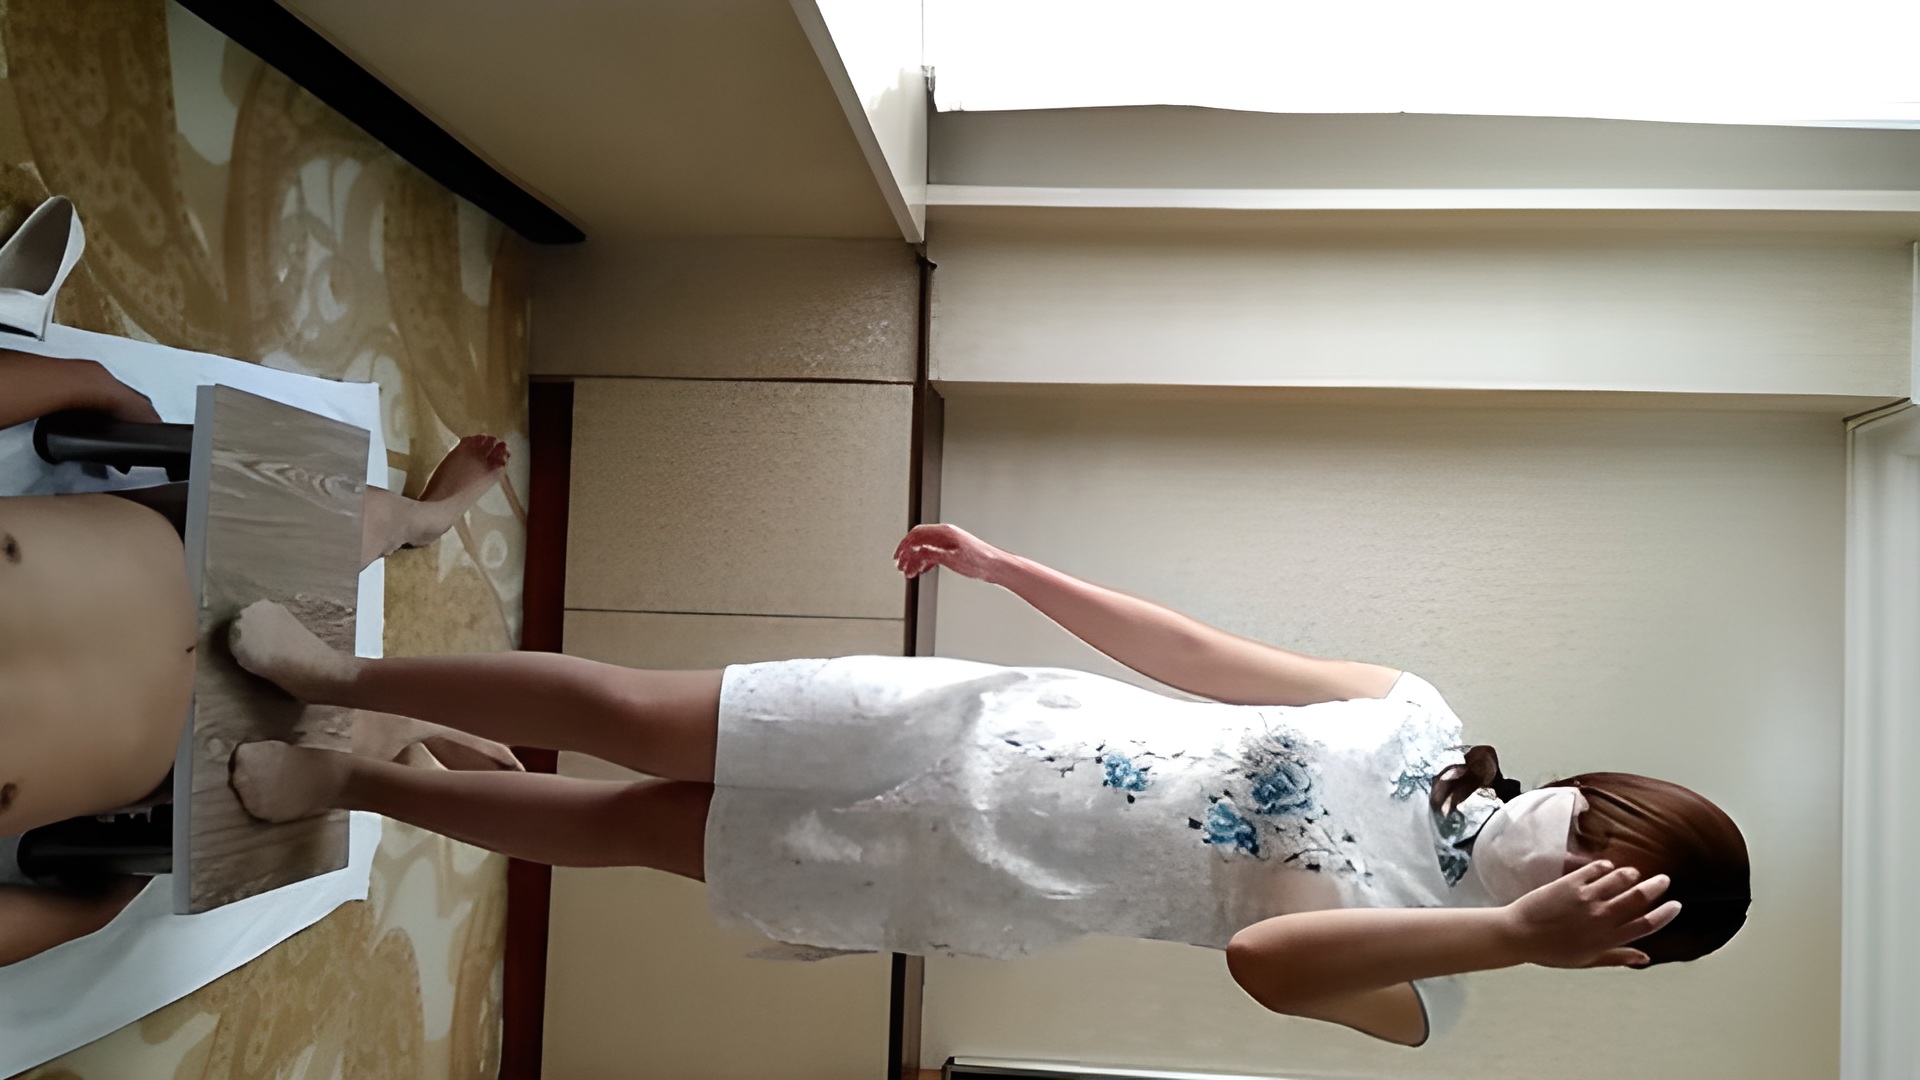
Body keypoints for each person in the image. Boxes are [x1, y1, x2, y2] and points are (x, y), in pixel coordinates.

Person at [222, 522, 1751, 1046]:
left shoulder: (1438, 991)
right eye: (1605, 822)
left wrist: (1512, 935)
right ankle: (343, 674)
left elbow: (1269, 962)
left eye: (1611, 879)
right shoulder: (1416, 716)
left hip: (976, 872)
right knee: (632, 710)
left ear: (1612, 944)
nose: (1575, 844)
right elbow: (1204, 657)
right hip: (970, 727)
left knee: (632, 829)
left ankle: (356, 786)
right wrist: (1023, 574)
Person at [0, 350, 522, 965]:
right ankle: (418, 725)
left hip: (182, 548)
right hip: (196, 746)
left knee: (345, 512)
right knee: (348, 735)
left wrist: (91, 382)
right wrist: (88, 913)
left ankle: (422, 520)